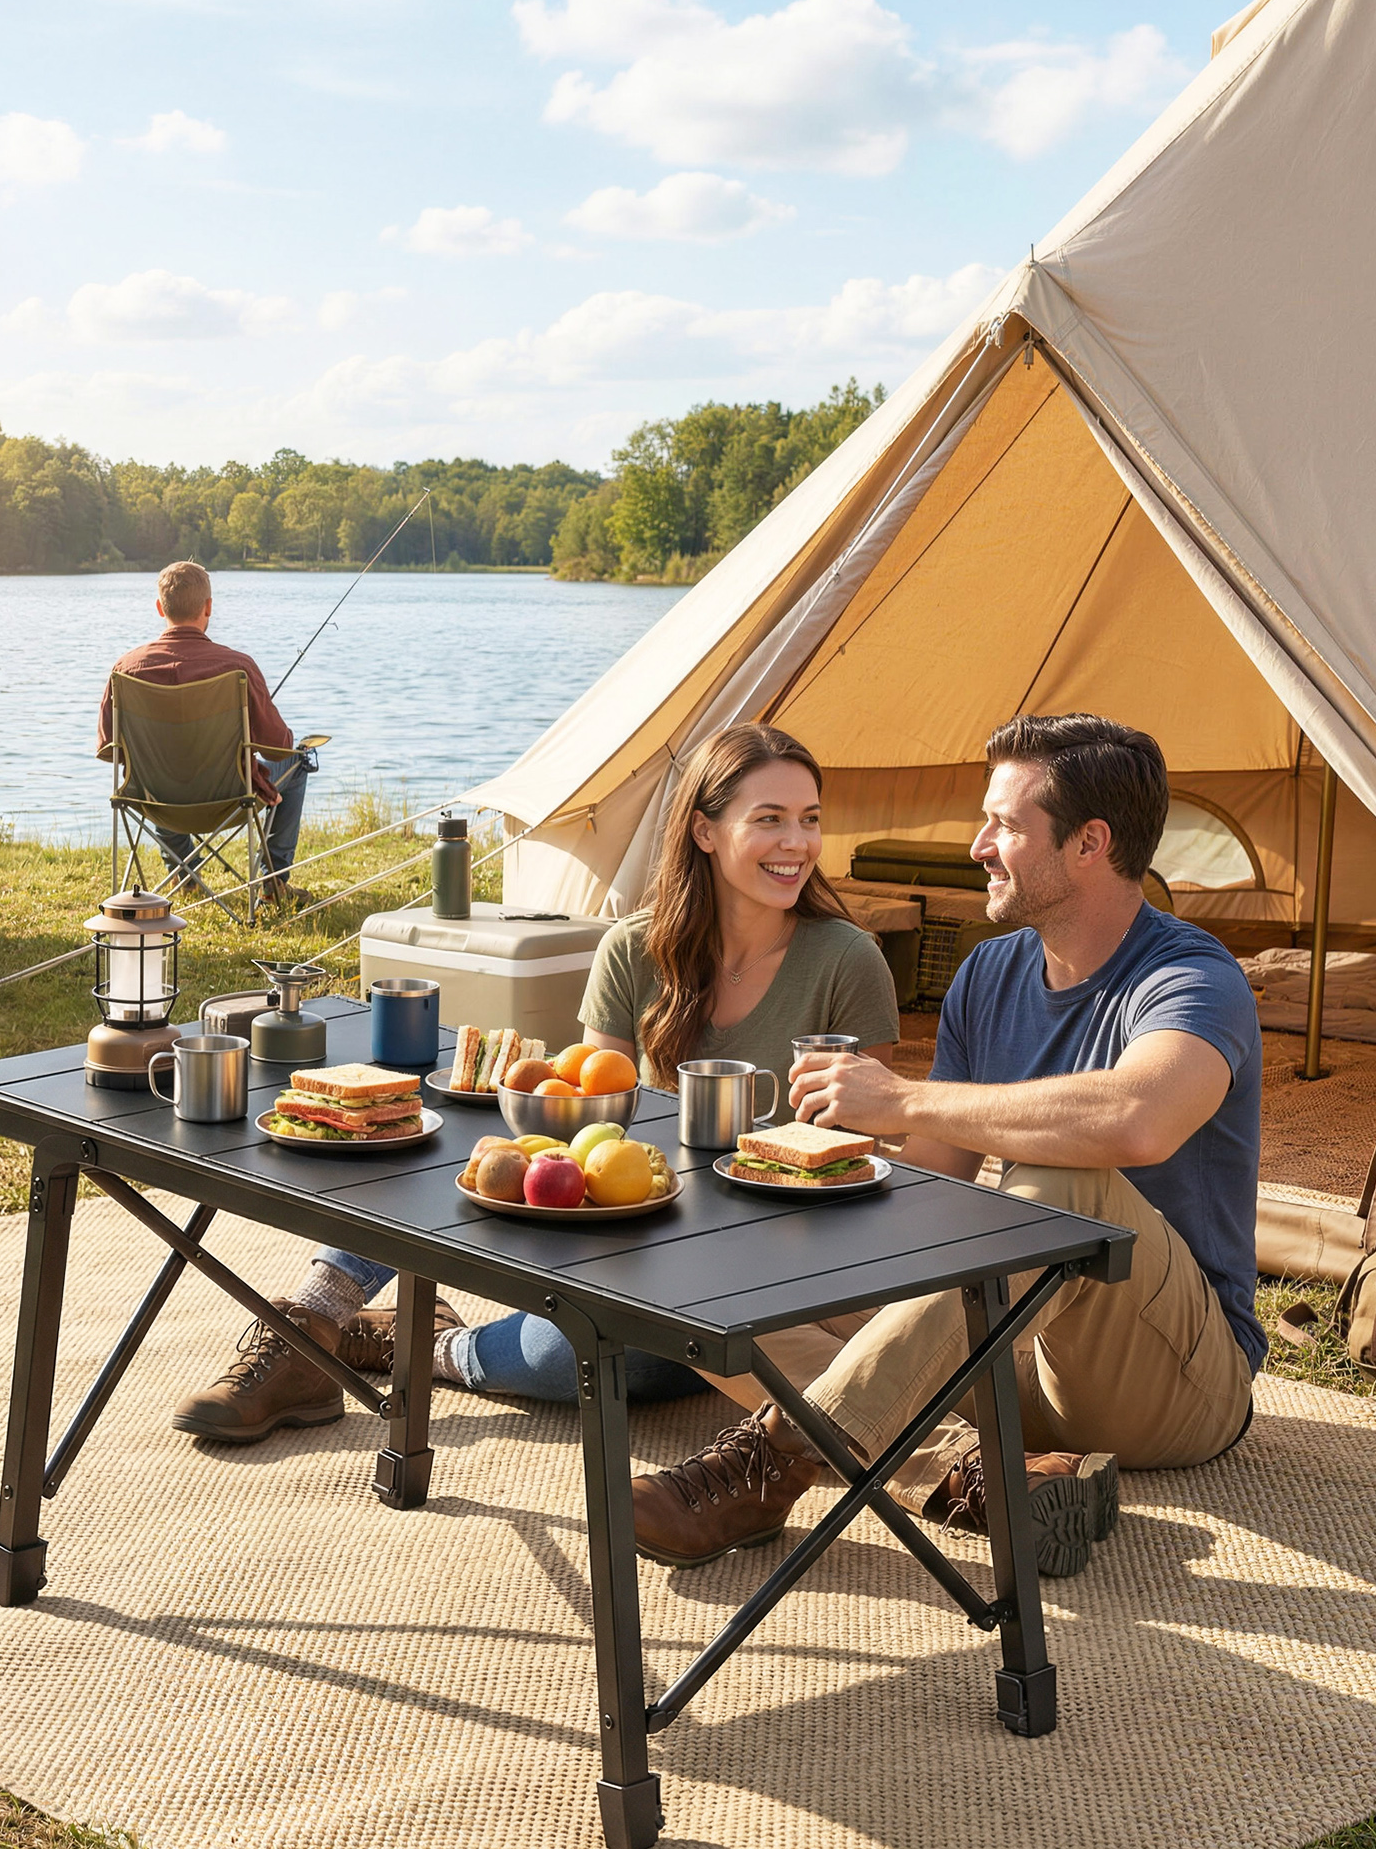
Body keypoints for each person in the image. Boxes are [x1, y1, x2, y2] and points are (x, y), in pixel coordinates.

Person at [628, 713, 1262, 1581]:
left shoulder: (1193, 977)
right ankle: (983, 1477)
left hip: (1169, 1377)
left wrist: (903, 1098)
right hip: (1010, 1347)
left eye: (1004, 824)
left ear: (1090, 844)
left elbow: (1136, 1120)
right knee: (707, 1273)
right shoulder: (990, 972)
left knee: (1055, 1179)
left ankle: (770, 1465)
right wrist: (787, 1199)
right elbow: (931, 1184)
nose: (978, 846)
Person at [168, 722, 901, 1441]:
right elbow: (580, 1113)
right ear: (705, 832)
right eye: (768, 819)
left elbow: (871, 1148)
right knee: (452, 1146)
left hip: (765, 1252)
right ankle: (310, 1324)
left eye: (809, 820)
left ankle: (418, 1345)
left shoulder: (847, 960)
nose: (797, 844)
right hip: (642, 1217)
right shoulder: (635, 948)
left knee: (585, 1361)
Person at [96, 560, 314, 904]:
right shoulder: (237, 667)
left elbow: (111, 750)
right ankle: (273, 884)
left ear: (159, 608)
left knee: (162, 766)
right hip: (229, 798)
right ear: (208, 607)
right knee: (300, 762)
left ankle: (185, 875)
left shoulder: (125, 670)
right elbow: (279, 751)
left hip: (155, 801)